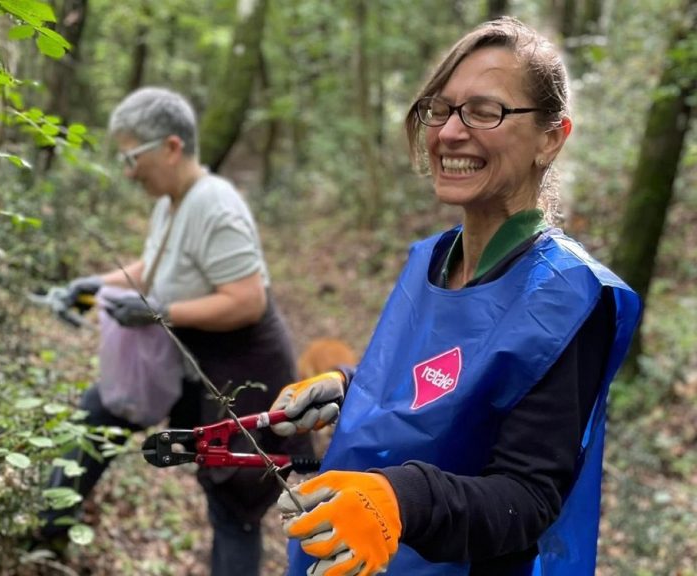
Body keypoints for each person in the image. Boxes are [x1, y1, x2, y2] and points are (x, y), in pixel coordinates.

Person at [269, 17, 641, 576]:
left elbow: (528, 497)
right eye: (440, 109)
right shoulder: (432, 260)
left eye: (484, 111)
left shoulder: (567, 298)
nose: (448, 133)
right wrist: (347, 387)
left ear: (551, 136)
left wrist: (401, 499)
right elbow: (433, 392)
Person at [39, 86, 310, 576]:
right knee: (101, 411)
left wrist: (163, 312)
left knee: (232, 507)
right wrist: (92, 285)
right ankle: (47, 532)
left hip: (239, 374)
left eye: (132, 157)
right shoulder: (171, 201)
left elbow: (247, 300)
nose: (128, 171)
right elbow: (153, 268)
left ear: (171, 146)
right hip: (190, 367)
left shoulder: (216, 205)